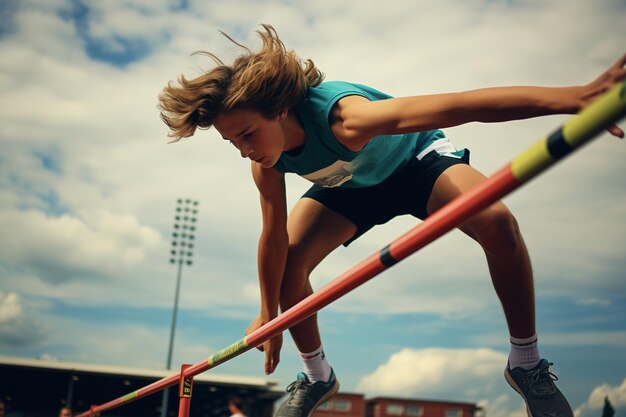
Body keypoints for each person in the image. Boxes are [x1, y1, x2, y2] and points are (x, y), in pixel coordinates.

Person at [158, 24, 625, 417]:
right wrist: (267, 313)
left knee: (498, 222)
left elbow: (464, 105)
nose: (245, 149)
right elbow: (272, 235)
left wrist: (576, 97)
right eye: (232, 142)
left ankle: (526, 363)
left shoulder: (346, 118)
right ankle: (318, 377)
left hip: (416, 165)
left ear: (279, 109)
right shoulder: (264, 160)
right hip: (351, 187)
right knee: (289, 269)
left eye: (247, 134)